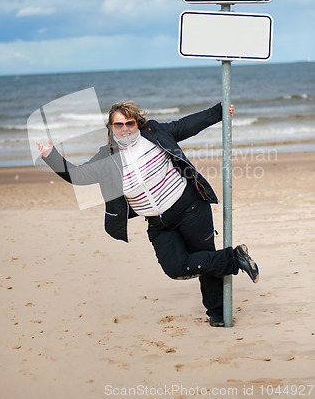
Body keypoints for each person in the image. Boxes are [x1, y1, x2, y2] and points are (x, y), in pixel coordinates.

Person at [36, 101, 259, 327]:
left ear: (137, 122)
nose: (124, 128)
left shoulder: (154, 133)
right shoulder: (107, 158)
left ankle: (217, 311)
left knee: (204, 255)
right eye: (118, 124)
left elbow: (188, 124)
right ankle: (234, 257)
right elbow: (79, 175)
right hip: (159, 224)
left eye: (129, 122)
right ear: (111, 128)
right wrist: (51, 155)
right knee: (175, 267)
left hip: (189, 207)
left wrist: (219, 110)